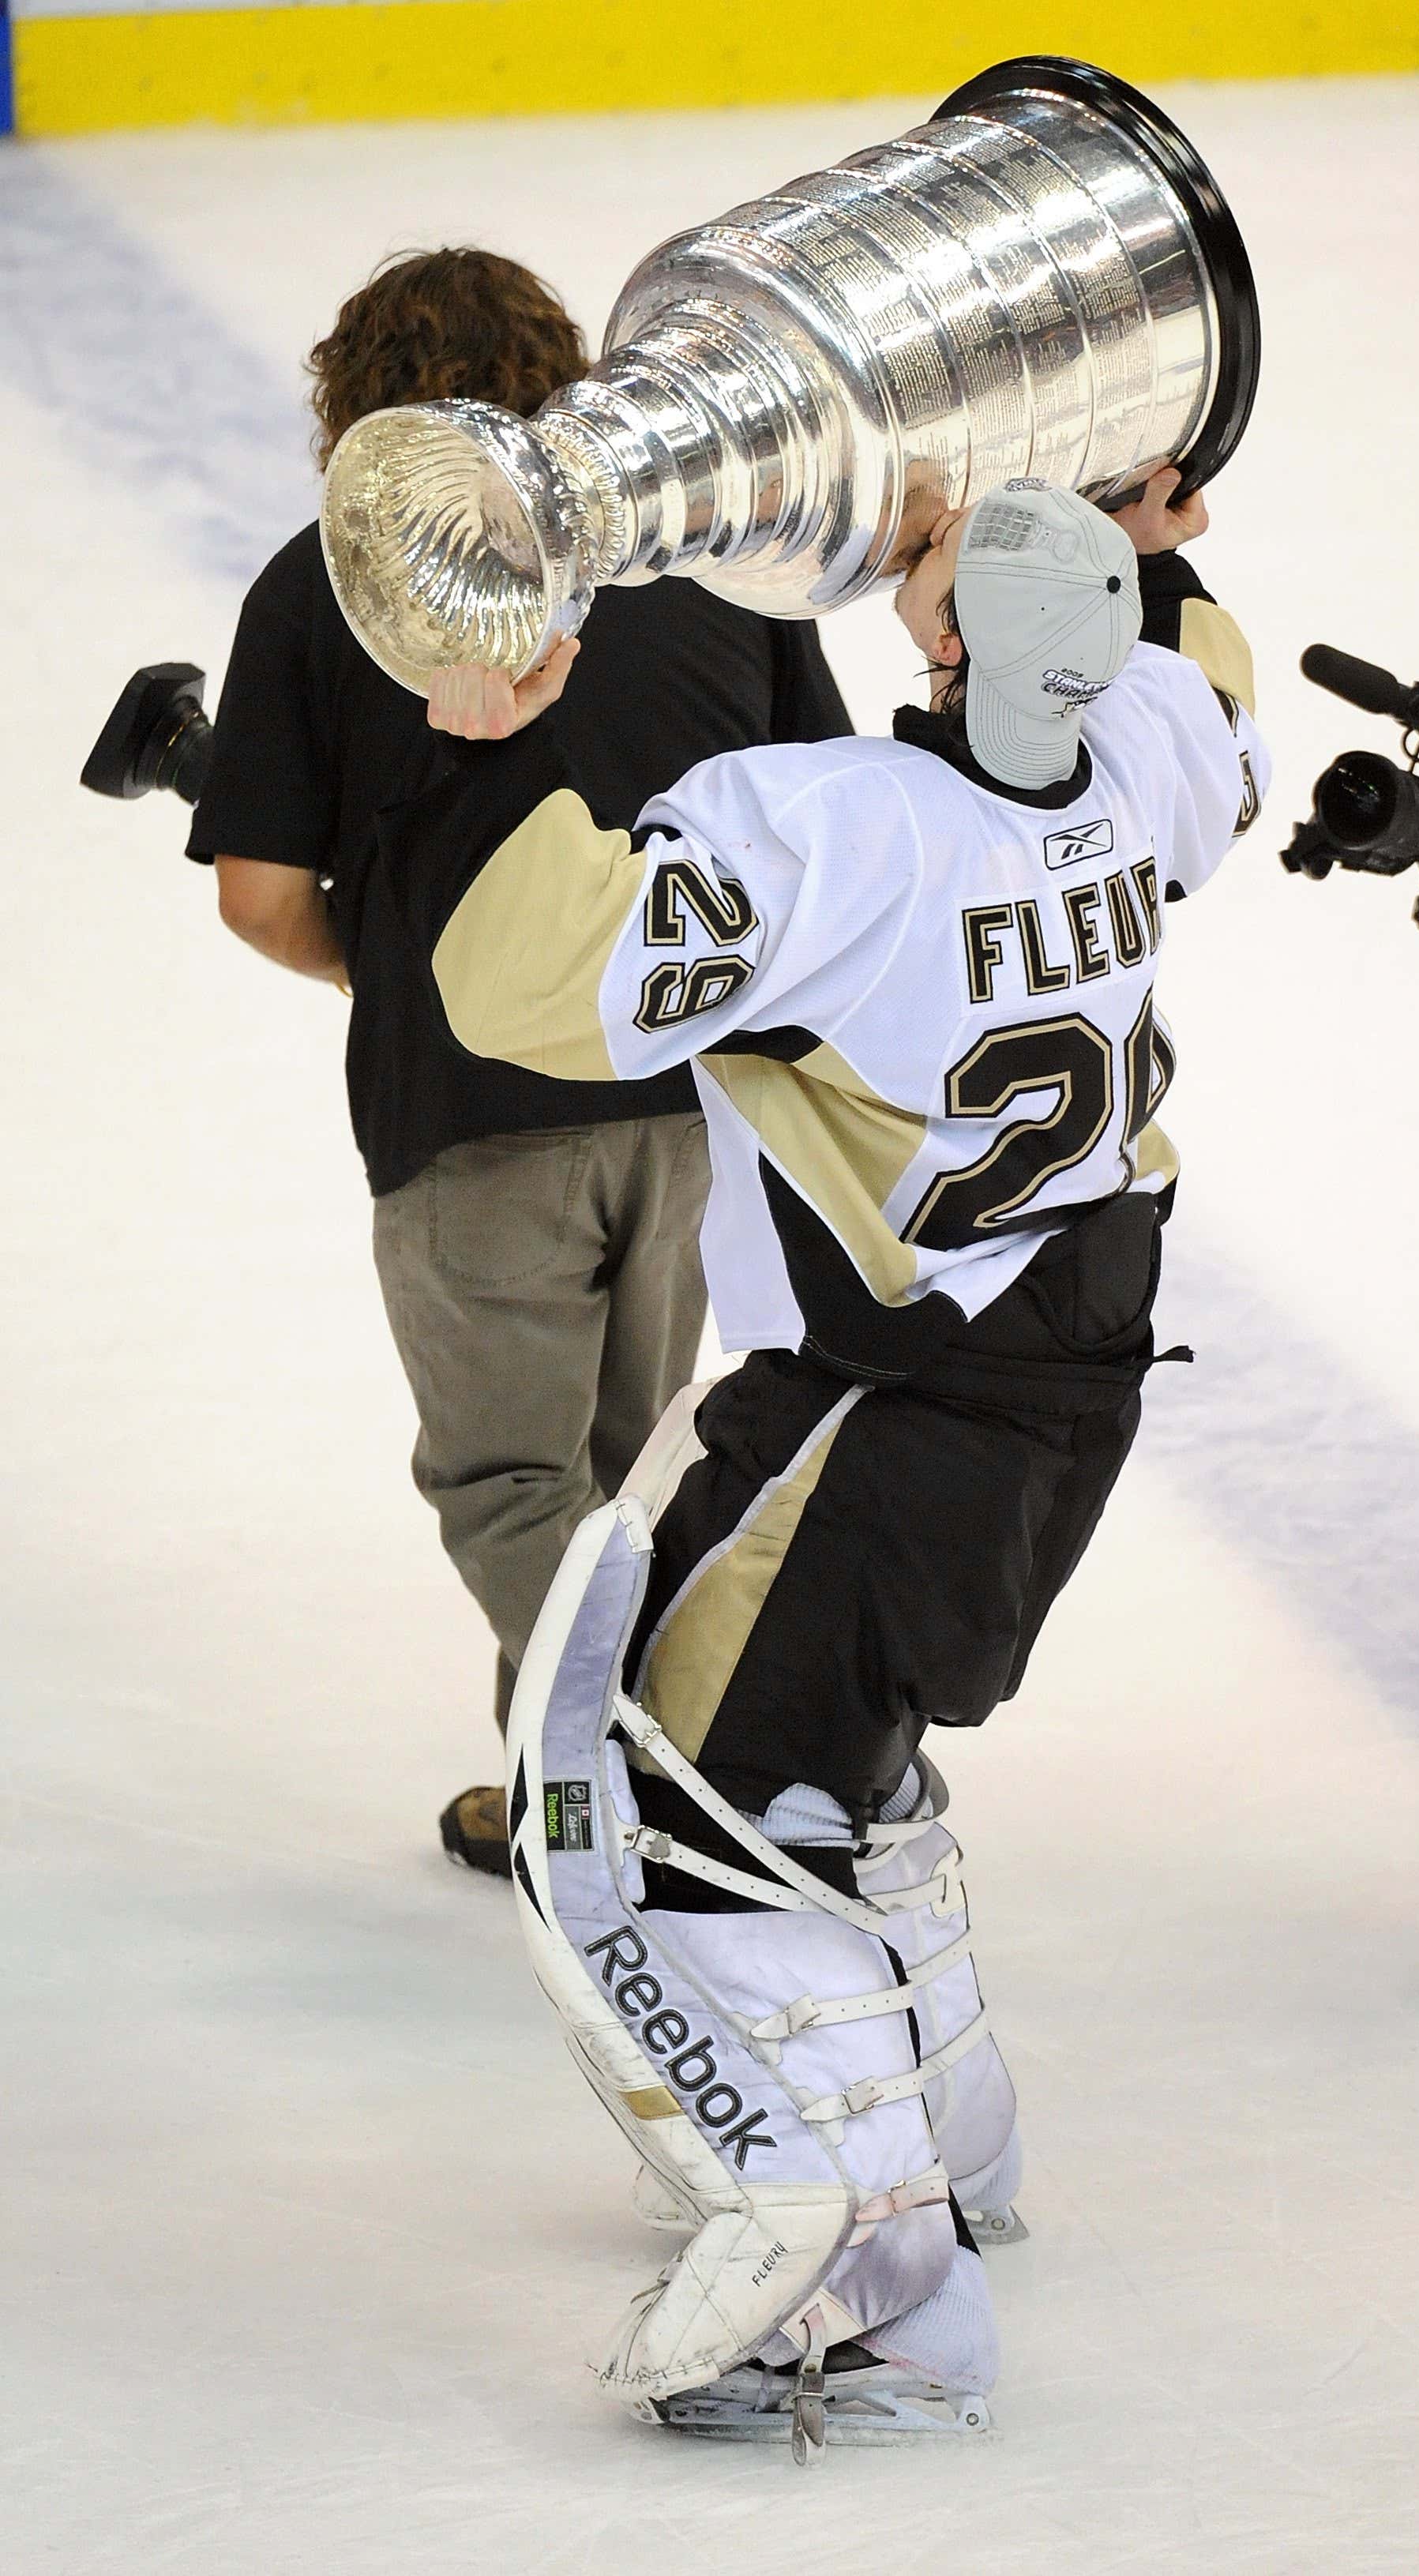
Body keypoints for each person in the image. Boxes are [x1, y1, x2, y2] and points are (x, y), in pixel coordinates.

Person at [397, 466, 1265, 2445]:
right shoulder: (1146, 752)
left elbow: (522, 987)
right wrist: (1139, 549)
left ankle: (878, 2305)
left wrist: (493, 739)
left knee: (701, 1821)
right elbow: (1203, 682)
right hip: (1073, 1377)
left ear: (943, 636)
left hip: (883, 1404)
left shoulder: (830, 824)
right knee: (839, 1780)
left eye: (944, 563)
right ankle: (952, 2151)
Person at [185, 246, 850, 1875]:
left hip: (471, 1121)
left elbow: (261, 895)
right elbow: (825, 813)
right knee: (620, 1477)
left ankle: (673, 1775)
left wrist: (405, 973)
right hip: (695, 1104)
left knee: (506, 1485)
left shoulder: (325, 588)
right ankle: (565, 1796)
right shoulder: (704, 553)